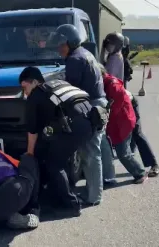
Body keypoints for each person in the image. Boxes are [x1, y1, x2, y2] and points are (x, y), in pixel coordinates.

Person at [19, 66, 95, 216]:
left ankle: (71, 205)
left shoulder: (36, 95)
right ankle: (56, 196)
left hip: (74, 126)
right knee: (57, 156)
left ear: (34, 82)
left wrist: (29, 154)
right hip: (91, 121)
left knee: (54, 164)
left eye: (24, 87)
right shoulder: (57, 84)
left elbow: (32, 132)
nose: (24, 92)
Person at [54, 24, 108, 206]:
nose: (59, 48)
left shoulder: (74, 60)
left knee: (91, 152)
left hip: (90, 107)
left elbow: (71, 90)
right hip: (98, 104)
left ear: (70, 42)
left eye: (61, 44)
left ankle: (94, 197)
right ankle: (94, 190)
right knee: (94, 149)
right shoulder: (85, 53)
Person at [99, 64, 149, 184]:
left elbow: (116, 104)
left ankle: (140, 173)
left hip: (123, 123)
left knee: (123, 154)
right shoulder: (106, 82)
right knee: (122, 150)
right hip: (118, 122)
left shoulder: (113, 84)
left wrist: (106, 115)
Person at [127, 90, 159, 177]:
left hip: (128, 103)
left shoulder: (109, 84)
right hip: (117, 103)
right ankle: (131, 149)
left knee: (137, 132)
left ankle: (153, 164)